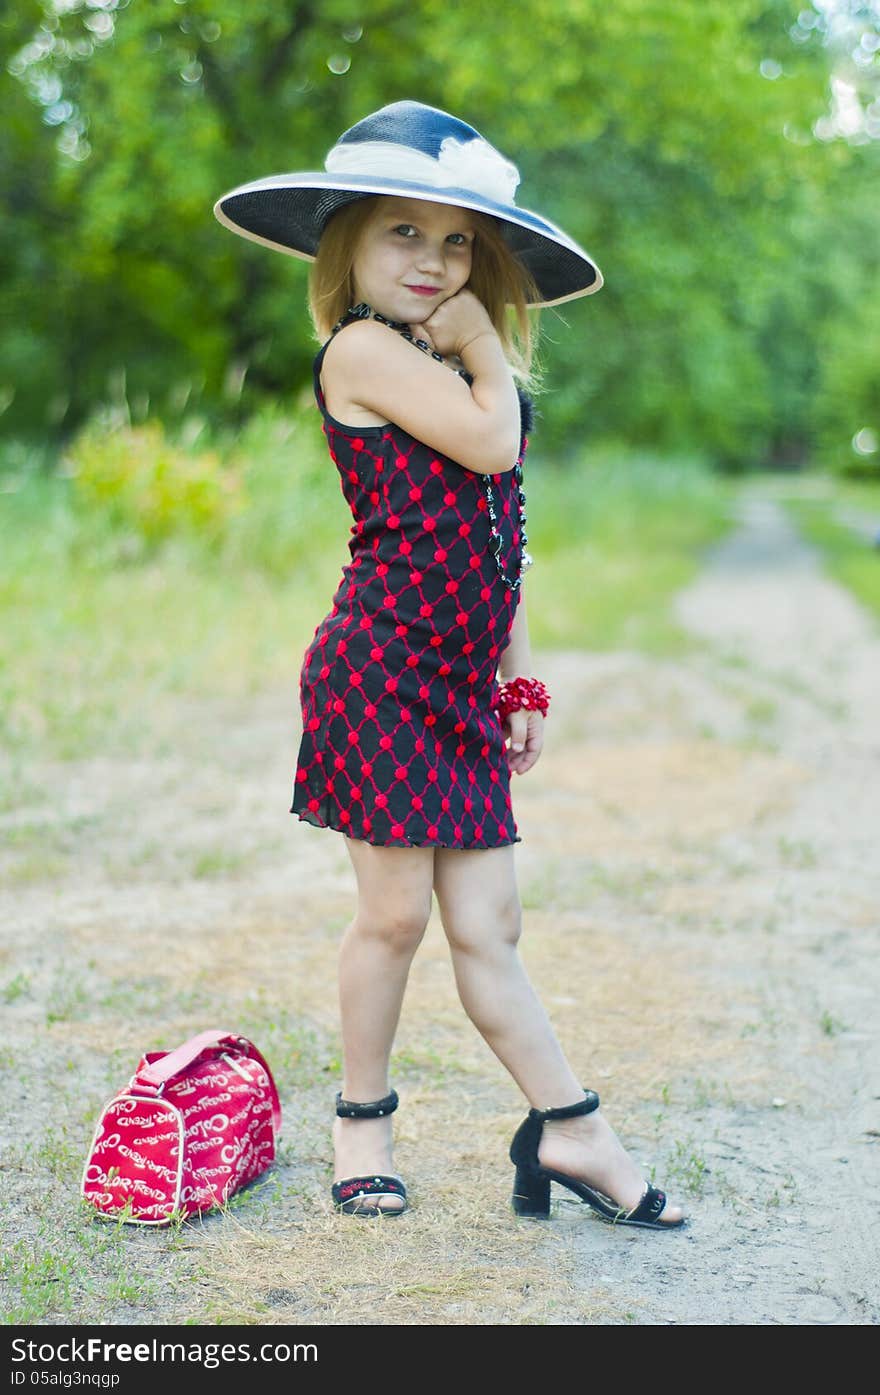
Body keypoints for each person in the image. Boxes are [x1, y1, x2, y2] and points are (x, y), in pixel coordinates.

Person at [214, 101, 685, 1229]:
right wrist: (484, 345)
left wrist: (517, 681)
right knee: (392, 921)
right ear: (346, 250)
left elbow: (494, 538)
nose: (433, 262)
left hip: (458, 688)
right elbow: (490, 444)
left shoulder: (457, 367)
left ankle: (569, 1131)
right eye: (402, 235)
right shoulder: (368, 351)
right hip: (379, 677)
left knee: (490, 926)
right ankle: (359, 1121)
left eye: (458, 241)